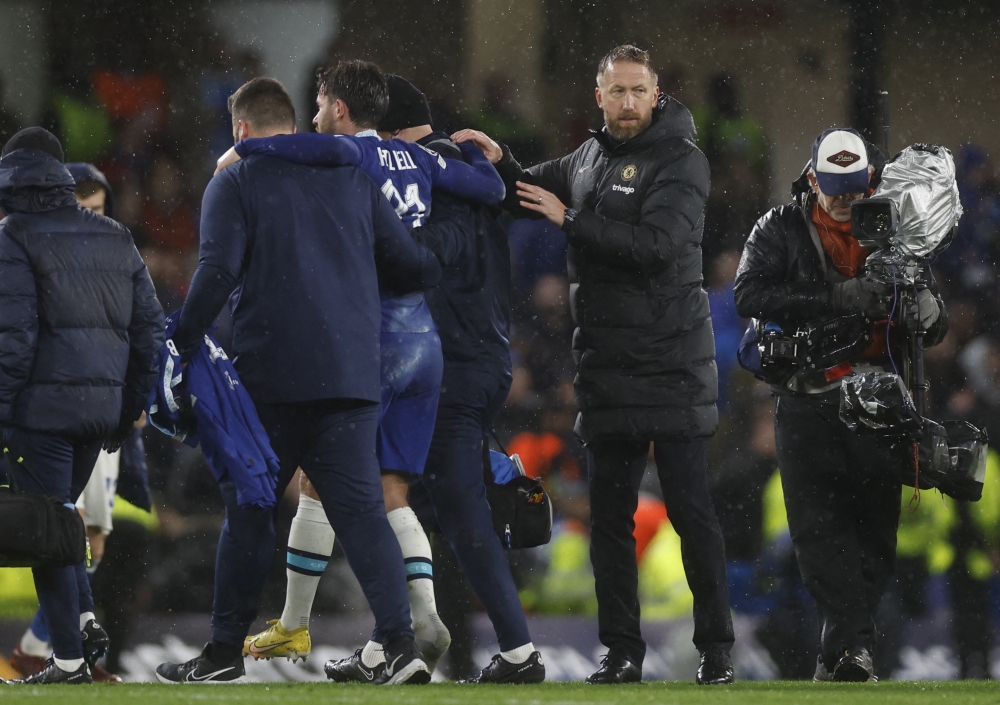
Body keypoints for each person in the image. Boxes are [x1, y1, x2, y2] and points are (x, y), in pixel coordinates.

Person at [225, 66, 543, 683]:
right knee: (399, 491)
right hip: (434, 347)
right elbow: (492, 191)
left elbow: (300, 148)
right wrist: (496, 159)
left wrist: (243, 148)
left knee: (329, 479)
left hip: (373, 344)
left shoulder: (345, 157)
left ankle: (307, 625)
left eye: (320, 105)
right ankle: (410, 627)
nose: (315, 117)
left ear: (343, 110)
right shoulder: (423, 160)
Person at [453, 44, 735, 685]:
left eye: (640, 91)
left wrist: (572, 219)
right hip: (607, 368)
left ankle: (716, 650)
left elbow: (658, 247)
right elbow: (529, 193)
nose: (630, 102)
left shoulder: (682, 160)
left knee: (692, 512)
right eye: (618, 91)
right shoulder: (589, 157)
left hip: (672, 363)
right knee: (609, 517)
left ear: (655, 95)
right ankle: (621, 652)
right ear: (599, 97)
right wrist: (502, 162)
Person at [154, 77, 441, 685]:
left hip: (272, 378)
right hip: (352, 376)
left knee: (251, 510)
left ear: (240, 130)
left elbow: (217, 270)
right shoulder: (353, 177)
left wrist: (177, 343)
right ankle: (398, 643)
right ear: (294, 124)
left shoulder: (234, 179)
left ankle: (223, 652)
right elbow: (415, 265)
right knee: (362, 514)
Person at [733, 127, 949, 681]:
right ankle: (852, 649)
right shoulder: (779, 226)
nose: (848, 200)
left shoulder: (900, 230)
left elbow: (933, 320)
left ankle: (849, 649)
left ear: (871, 180)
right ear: (812, 180)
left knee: (875, 530)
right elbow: (748, 295)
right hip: (808, 394)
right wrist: (838, 297)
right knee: (815, 529)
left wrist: (928, 311)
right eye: (836, 190)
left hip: (880, 397)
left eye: (856, 188)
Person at [0, 127, 164, 685]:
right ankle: (84, 623)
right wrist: (129, 407)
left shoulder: (13, 236)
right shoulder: (115, 235)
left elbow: (13, 338)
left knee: (48, 530)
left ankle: (69, 659)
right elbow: (149, 331)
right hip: (98, 411)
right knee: (63, 523)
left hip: (40, 411)